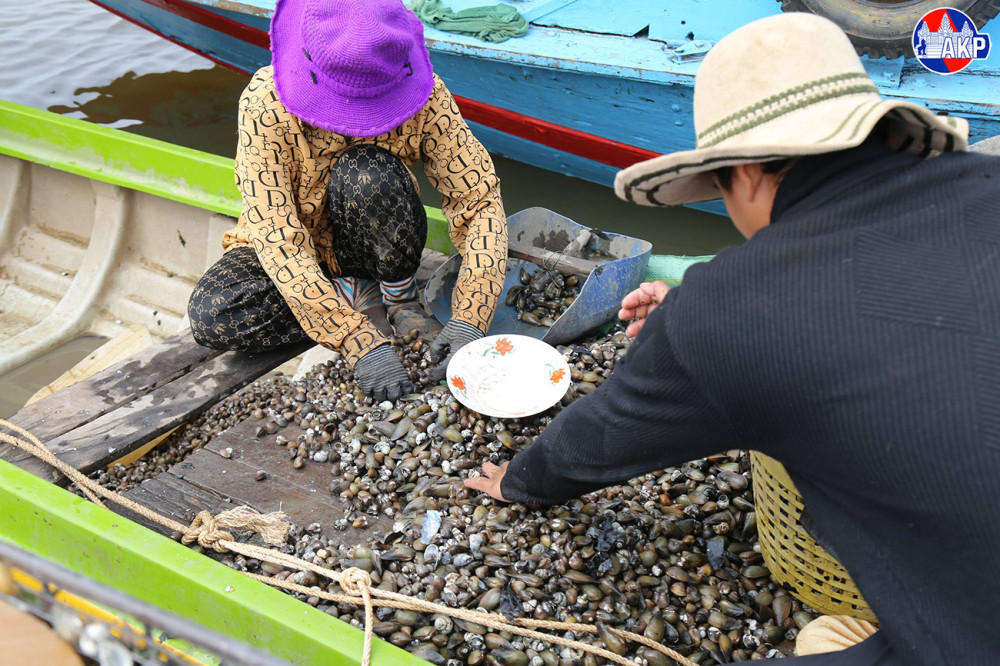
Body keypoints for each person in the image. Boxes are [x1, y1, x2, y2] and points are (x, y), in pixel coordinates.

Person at [466, 13, 1000, 666]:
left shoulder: (732, 308)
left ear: (743, 174)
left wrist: (521, 480)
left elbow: (603, 434)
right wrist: (706, 313)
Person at [187, 0, 508, 402]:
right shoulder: (265, 103)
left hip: (377, 239)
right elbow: (276, 234)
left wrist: (471, 317)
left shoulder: (426, 93)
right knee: (214, 314)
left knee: (367, 172)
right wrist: (355, 338)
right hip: (290, 244)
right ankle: (355, 295)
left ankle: (398, 296)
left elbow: (478, 199)